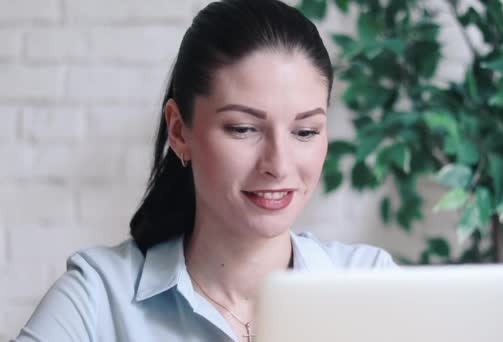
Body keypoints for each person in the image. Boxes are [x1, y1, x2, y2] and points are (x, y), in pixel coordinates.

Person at [13, 0, 397, 341]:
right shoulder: (99, 297)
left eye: (305, 131)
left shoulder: (372, 284)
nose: (278, 165)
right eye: (243, 129)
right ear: (180, 132)